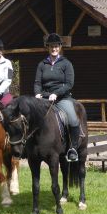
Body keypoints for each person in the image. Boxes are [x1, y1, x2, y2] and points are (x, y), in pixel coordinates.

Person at [34, 33, 80, 162]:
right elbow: (37, 83)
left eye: (56, 46)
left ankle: (73, 149)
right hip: (44, 98)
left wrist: (57, 93)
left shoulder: (66, 63)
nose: (54, 49)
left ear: (60, 47)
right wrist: (37, 93)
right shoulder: (42, 64)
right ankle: (30, 147)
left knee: (72, 120)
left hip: (62, 98)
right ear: (48, 48)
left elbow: (69, 84)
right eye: (51, 46)